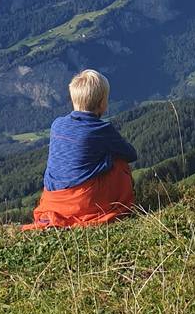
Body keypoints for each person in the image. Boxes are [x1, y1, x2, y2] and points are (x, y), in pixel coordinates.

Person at [24, 69, 138, 230]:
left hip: (51, 200)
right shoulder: (102, 129)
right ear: (102, 103)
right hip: (81, 201)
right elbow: (130, 155)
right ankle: (120, 204)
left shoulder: (57, 124)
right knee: (119, 162)